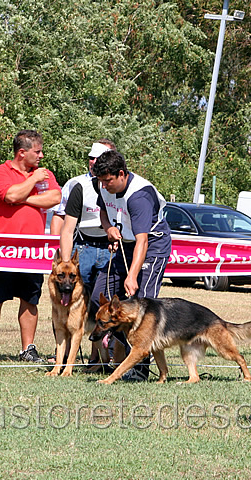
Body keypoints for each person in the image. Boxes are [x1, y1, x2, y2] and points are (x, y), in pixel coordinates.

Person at [0, 129, 61, 364]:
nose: (41, 156)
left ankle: (28, 348)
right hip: (2, 248)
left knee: (30, 299)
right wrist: (32, 182)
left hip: (32, 250)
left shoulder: (44, 174)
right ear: (22, 152)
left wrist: (24, 197)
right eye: (37, 151)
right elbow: (9, 195)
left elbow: (55, 197)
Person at [90, 150, 172, 380]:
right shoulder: (102, 184)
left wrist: (132, 275)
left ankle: (139, 370)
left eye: (108, 181)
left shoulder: (139, 196)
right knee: (100, 296)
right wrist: (109, 229)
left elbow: (143, 241)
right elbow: (104, 212)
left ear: (122, 174)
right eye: (101, 181)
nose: (104, 186)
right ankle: (126, 351)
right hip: (125, 244)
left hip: (152, 246)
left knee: (143, 305)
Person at [51, 139, 116, 368]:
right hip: (84, 247)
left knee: (102, 303)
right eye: (91, 157)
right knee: (67, 301)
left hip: (110, 247)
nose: (94, 162)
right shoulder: (77, 185)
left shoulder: (118, 183)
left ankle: (98, 357)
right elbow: (66, 227)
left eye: (100, 158)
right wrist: (66, 262)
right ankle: (63, 357)